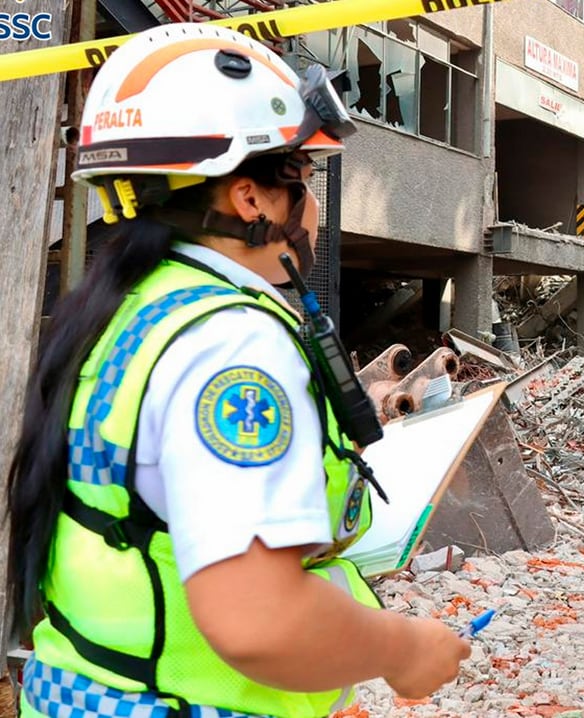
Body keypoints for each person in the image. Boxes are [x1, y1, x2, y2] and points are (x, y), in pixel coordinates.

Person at [5, 23, 470, 718]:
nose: (312, 207)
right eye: (304, 181)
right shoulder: (234, 345)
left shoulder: (132, 312)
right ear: (250, 199)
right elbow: (257, 619)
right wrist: (403, 649)